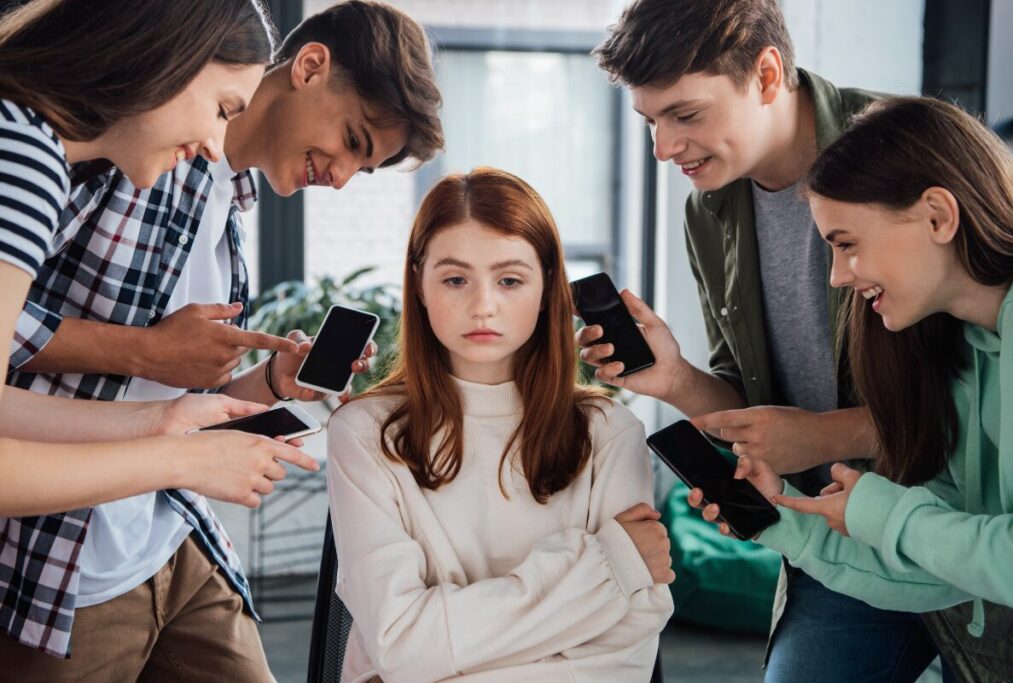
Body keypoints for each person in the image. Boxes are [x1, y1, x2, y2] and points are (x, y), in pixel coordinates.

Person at [588, 0, 941, 680]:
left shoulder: (912, 148)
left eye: (685, 115)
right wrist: (674, 379)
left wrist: (825, 434)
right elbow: (754, 402)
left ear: (768, 73)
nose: (663, 148)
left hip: (966, 521)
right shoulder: (710, 211)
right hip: (838, 537)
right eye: (651, 121)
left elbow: (989, 395)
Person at [0, 0, 320, 676]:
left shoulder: (28, 146)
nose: (213, 143)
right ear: (165, 58)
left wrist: (168, 423)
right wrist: (181, 460)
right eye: (224, 108)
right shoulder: (23, 160)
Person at [690, 96, 1013, 683]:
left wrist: (883, 510)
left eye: (846, 244)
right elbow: (939, 572)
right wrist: (779, 520)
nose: (838, 276)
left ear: (938, 217)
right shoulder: (958, 356)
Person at [326, 167, 674, 683]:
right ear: (419, 284)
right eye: (455, 279)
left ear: (547, 287)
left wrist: (441, 653)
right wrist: (610, 566)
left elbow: (621, 659)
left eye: (510, 280)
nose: (483, 305)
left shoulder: (610, 433)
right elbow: (400, 643)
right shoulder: (363, 432)